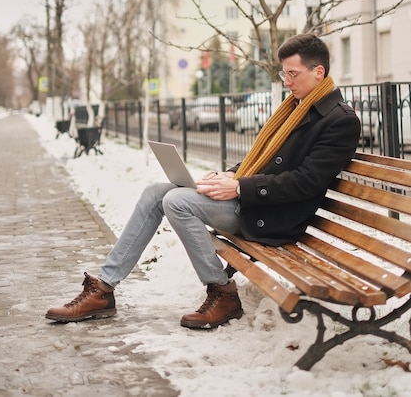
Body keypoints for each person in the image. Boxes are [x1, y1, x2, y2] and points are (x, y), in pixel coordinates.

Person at [46, 33, 361, 328]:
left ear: (318, 72)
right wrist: (230, 174)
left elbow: (307, 181)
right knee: (156, 191)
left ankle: (223, 294)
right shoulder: (296, 107)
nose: (287, 81)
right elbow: (264, 157)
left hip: (274, 215)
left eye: (293, 74)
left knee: (177, 201)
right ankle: (103, 289)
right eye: (284, 74)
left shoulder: (339, 120)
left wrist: (239, 187)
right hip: (252, 199)